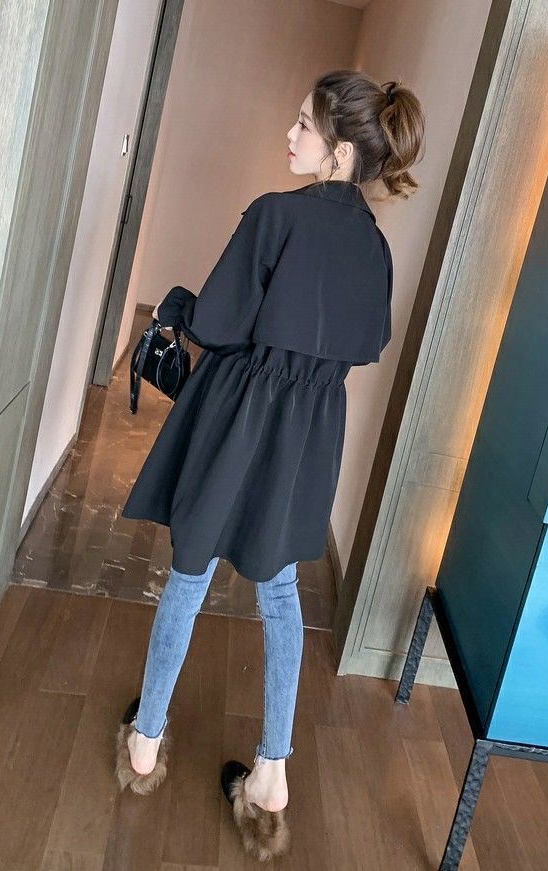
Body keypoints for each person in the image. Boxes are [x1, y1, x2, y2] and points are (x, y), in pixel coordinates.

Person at [115, 68, 425, 860]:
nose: (290, 135)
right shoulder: (375, 246)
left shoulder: (275, 214)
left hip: (236, 414)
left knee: (189, 574)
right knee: (281, 592)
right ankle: (273, 773)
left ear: (340, 150)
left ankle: (145, 742)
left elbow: (218, 321)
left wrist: (178, 305)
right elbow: (368, 343)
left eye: (304, 125)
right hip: (310, 429)